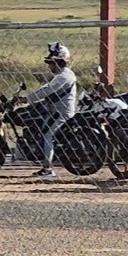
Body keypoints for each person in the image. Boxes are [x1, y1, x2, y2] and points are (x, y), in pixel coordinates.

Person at [20, 42, 78, 178]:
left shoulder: (65, 77)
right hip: (54, 110)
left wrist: (28, 99)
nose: (49, 66)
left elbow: (47, 91)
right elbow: (45, 88)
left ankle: (48, 168)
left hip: (62, 112)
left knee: (47, 134)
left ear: (59, 62)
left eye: (52, 62)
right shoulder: (60, 76)